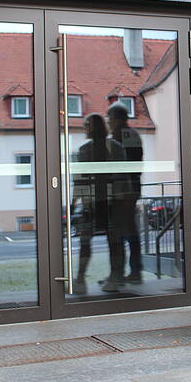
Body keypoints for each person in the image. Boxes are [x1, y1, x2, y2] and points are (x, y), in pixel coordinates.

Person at [71, 113, 124, 295]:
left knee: (87, 241)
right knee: (114, 241)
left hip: (94, 202)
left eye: (87, 125)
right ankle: (115, 278)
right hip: (110, 202)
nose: (85, 128)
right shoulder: (115, 147)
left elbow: (80, 179)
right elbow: (123, 176)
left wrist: (74, 201)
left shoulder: (86, 149)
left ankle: (80, 279)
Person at [102, 102, 144, 291]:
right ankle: (128, 272)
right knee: (126, 233)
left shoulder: (125, 136)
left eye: (110, 118)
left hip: (125, 191)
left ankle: (125, 273)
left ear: (117, 118)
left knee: (120, 233)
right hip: (127, 190)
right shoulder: (127, 135)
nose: (108, 122)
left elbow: (129, 166)